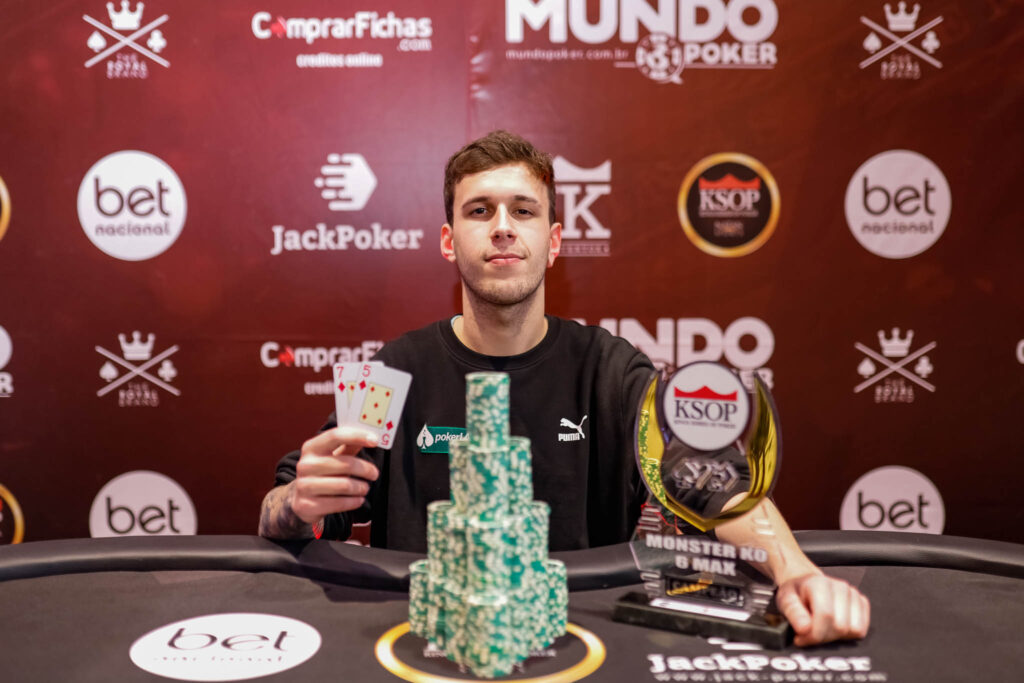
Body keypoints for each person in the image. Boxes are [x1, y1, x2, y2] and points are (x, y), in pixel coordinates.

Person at [260, 130, 870, 646]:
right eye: (480, 211)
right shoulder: (392, 370)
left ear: (553, 243)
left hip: (586, 646)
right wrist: (295, 506)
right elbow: (288, 511)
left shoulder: (611, 370)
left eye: (523, 211)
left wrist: (796, 574)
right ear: (449, 241)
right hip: (429, 643)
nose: (503, 228)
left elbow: (715, 483)